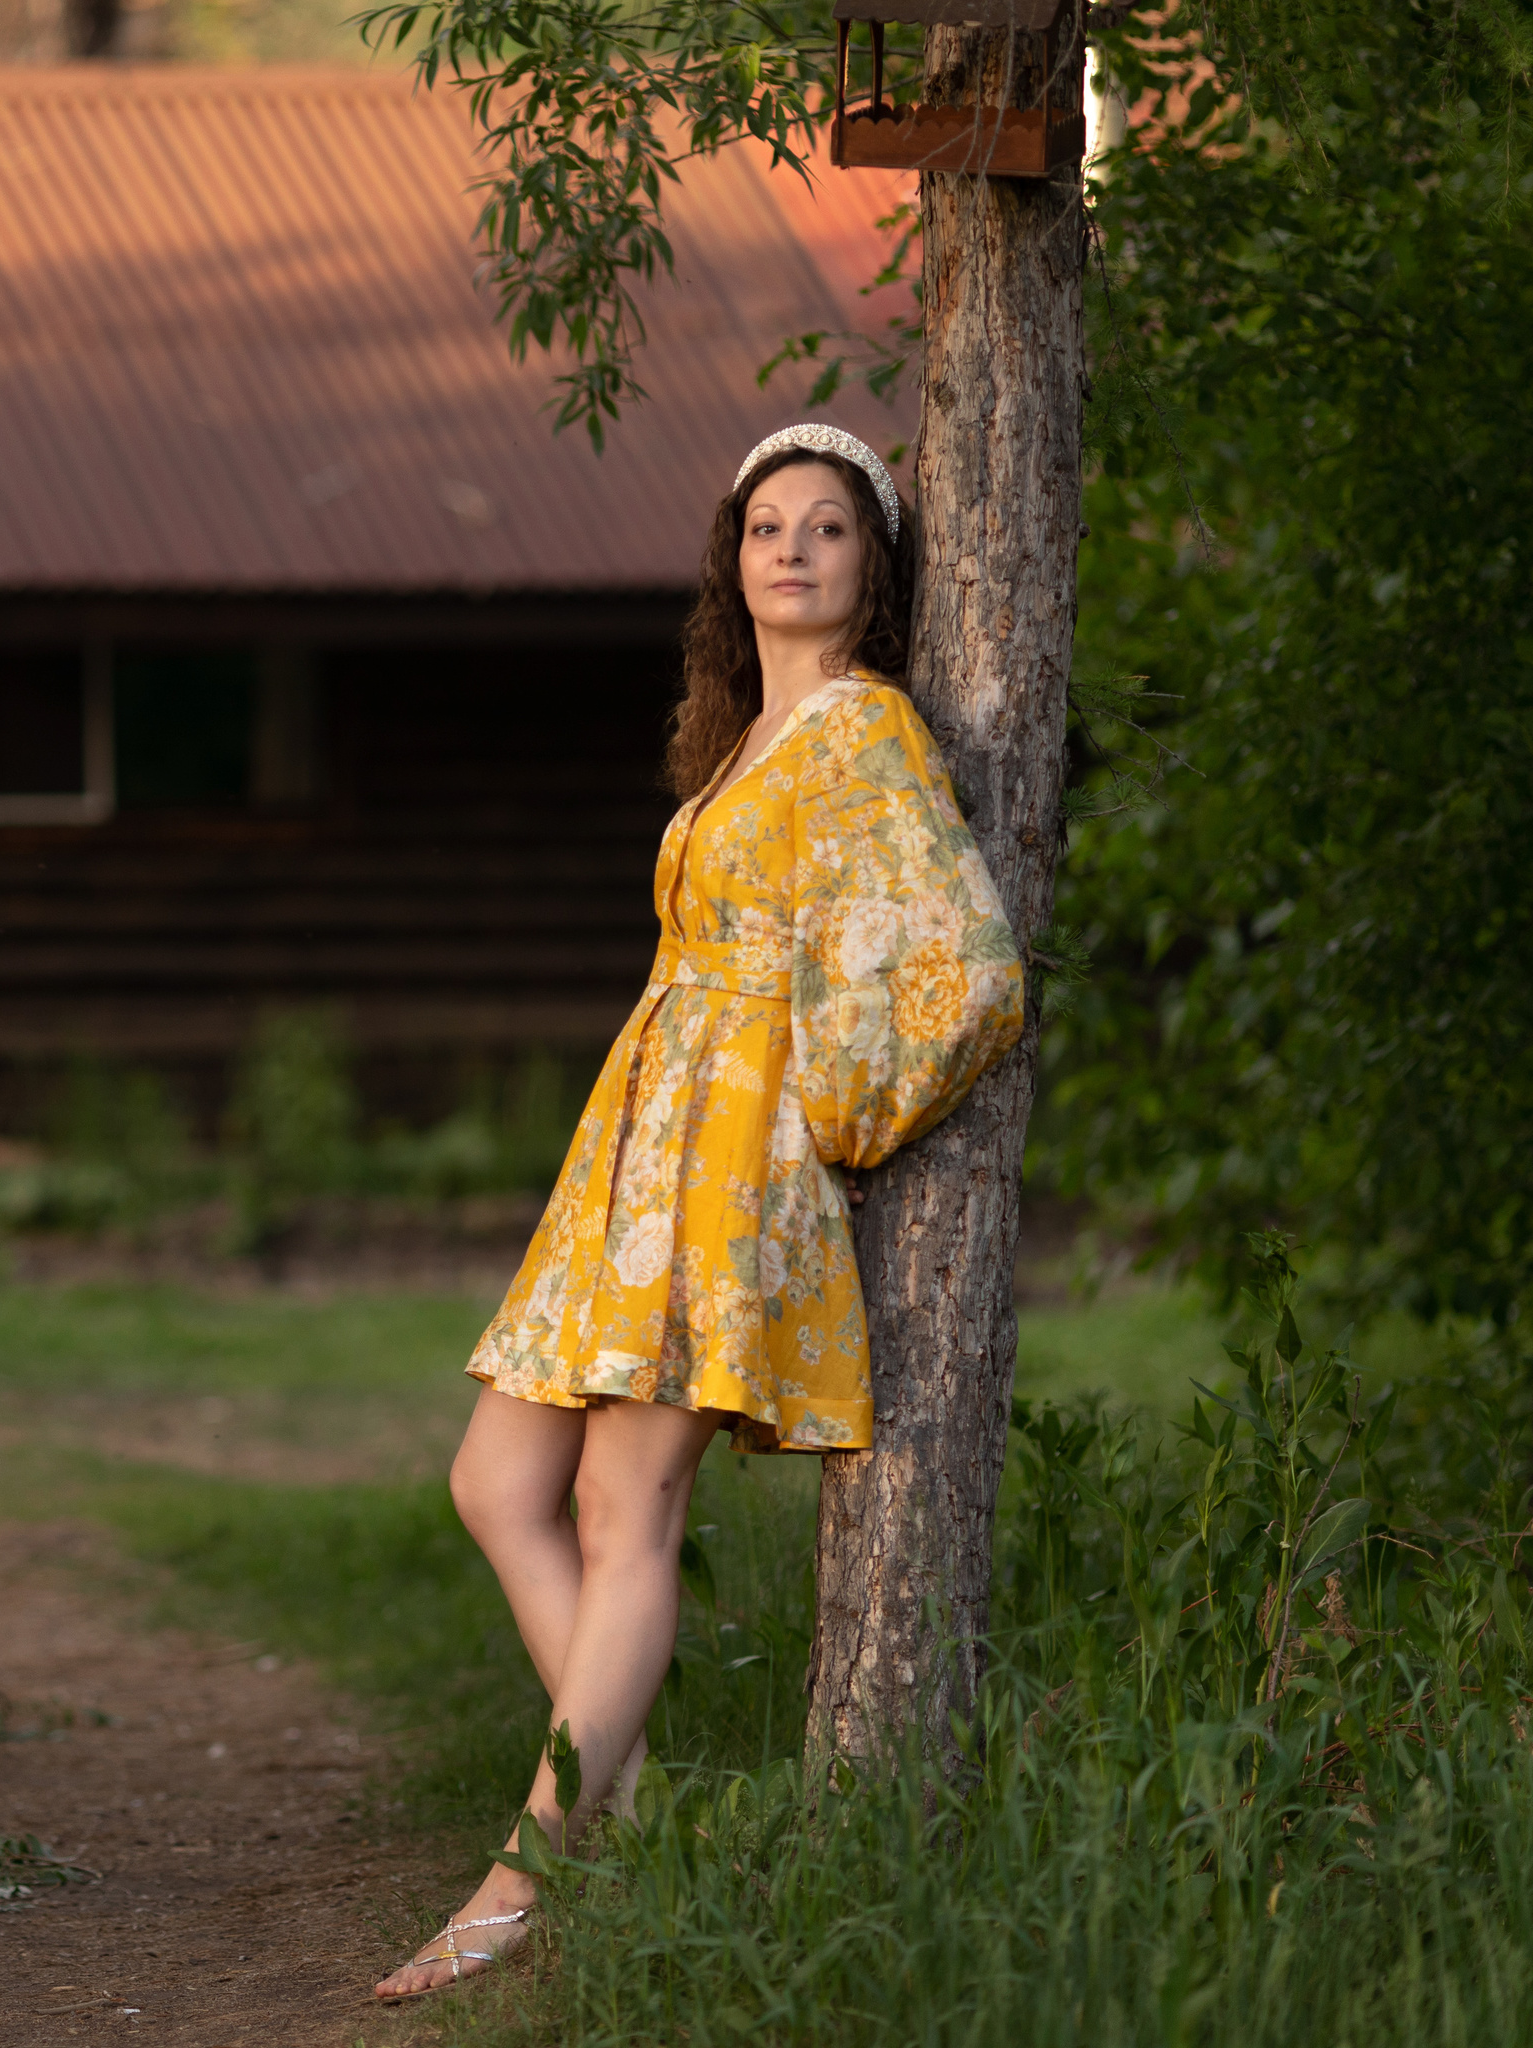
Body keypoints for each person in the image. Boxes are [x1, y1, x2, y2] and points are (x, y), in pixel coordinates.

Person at [372, 423, 1026, 2001]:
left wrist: (829, 1102)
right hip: (638, 1140)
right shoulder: (739, 740)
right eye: (764, 529)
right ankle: (632, 1823)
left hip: (733, 1150)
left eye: (827, 531)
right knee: (495, 1479)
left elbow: (971, 966)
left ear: (874, 573)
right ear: (732, 568)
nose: (790, 550)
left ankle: (519, 1882)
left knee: (622, 1511)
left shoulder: (867, 732)